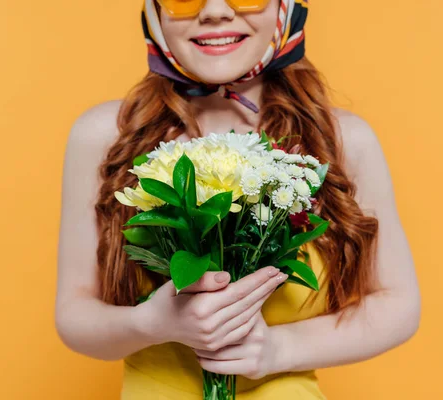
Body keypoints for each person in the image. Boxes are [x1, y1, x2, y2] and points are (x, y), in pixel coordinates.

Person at [55, 0, 421, 398]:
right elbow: (74, 316)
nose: (215, 10)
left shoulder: (342, 141)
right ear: (154, 10)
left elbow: (398, 305)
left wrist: (279, 349)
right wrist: (152, 324)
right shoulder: (107, 137)